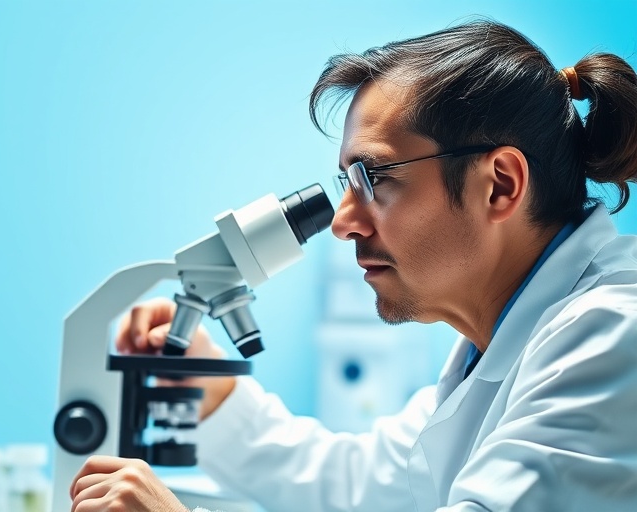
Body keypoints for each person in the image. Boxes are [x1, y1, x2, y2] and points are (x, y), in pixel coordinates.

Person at [68, 19, 637, 512]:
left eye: (375, 177)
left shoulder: (613, 334)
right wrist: (217, 398)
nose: (343, 221)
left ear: (500, 185)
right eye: (346, 182)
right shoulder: (494, 349)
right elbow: (362, 486)